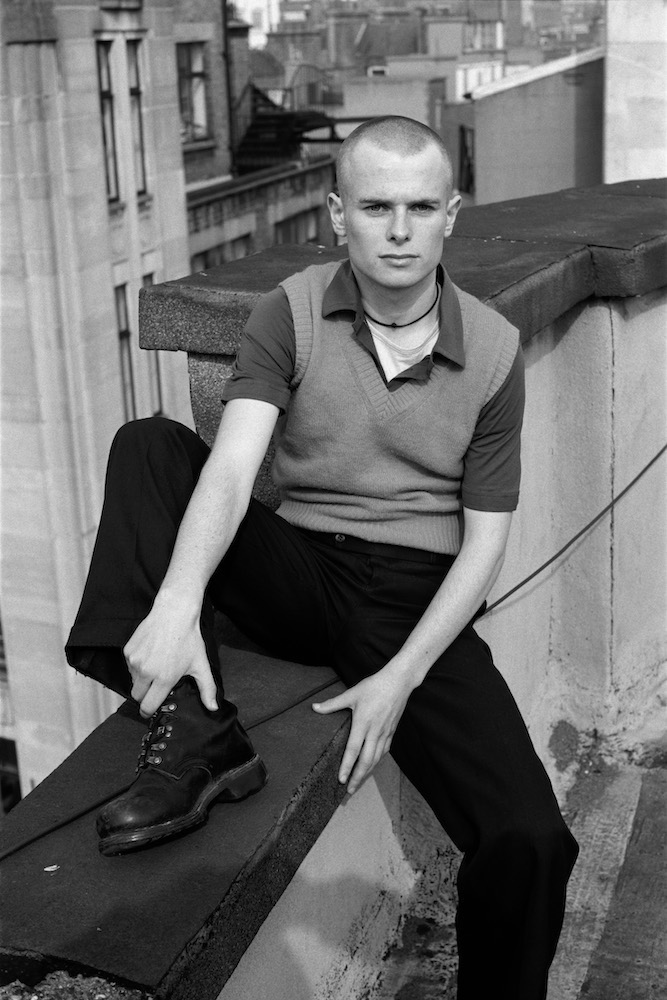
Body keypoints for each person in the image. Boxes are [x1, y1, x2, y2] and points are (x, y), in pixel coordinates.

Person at [67, 116, 578, 999]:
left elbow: (485, 541)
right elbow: (230, 466)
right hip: (299, 566)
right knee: (150, 446)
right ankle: (198, 732)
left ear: (451, 213)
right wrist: (180, 601)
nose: (398, 228)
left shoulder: (492, 348)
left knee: (531, 838)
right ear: (337, 213)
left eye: (421, 206)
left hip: (413, 602)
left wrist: (402, 677)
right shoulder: (294, 309)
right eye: (375, 205)